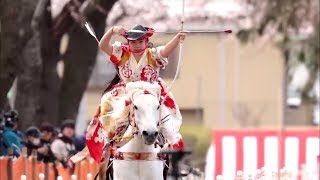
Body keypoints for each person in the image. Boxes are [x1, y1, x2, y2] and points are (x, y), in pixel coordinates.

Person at [86, 24, 186, 162]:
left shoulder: (153, 54)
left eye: (140, 41)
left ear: (146, 41)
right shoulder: (121, 53)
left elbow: (166, 50)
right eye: (133, 42)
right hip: (127, 95)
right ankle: (108, 151)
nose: (137, 45)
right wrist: (113, 30)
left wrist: (177, 38)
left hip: (151, 96)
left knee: (169, 128)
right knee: (109, 118)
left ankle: (173, 160)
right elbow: (103, 46)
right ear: (128, 42)